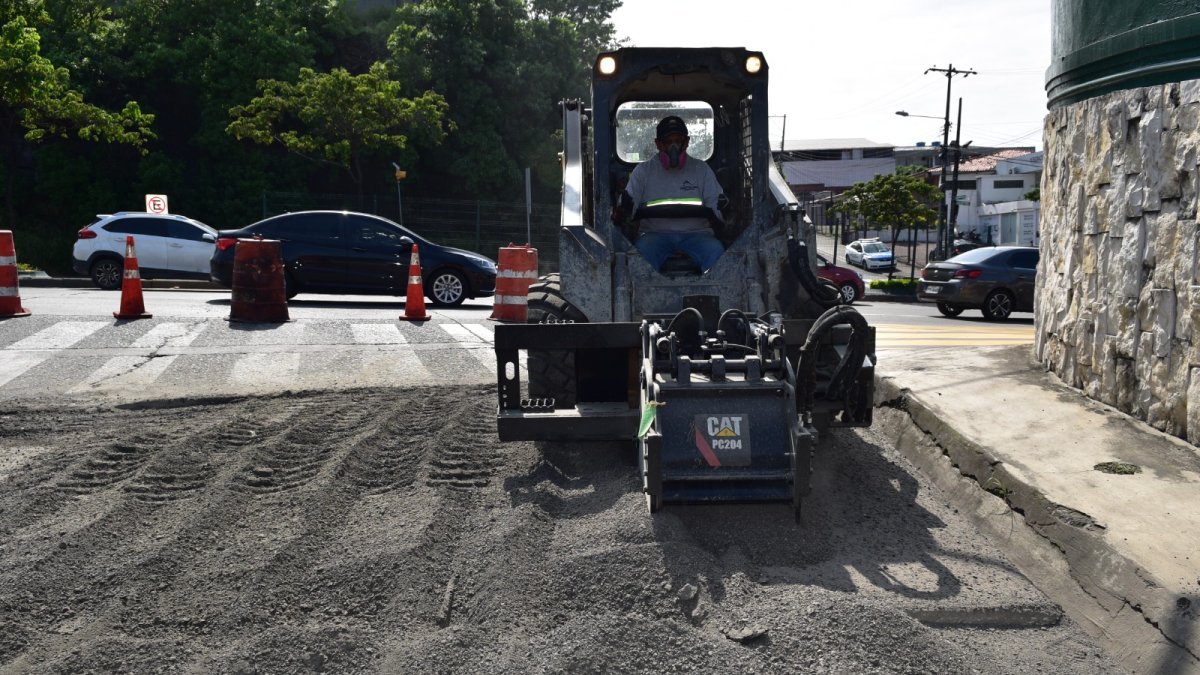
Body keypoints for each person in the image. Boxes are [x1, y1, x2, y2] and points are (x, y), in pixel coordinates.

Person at [619, 115, 725, 273]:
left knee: (716, 251)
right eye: (668, 142)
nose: (673, 147)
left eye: (678, 140)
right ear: (658, 144)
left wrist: (724, 210)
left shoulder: (701, 170)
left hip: (697, 235)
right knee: (639, 257)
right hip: (654, 235)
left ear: (687, 142)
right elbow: (628, 205)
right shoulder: (643, 171)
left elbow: (716, 204)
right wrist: (626, 208)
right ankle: (645, 295)